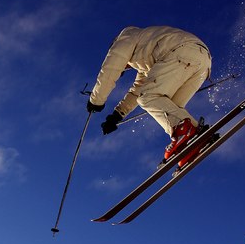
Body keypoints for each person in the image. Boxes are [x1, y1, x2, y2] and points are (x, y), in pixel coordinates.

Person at [86, 25, 212, 162]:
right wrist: (117, 116)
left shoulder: (124, 39)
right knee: (170, 108)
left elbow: (109, 71)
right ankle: (197, 140)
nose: (126, 67)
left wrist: (95, 101)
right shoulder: (145, 56)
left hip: (181, 51)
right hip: (202, 63)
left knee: (148, 98)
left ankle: (186, 133)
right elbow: (137, 90)